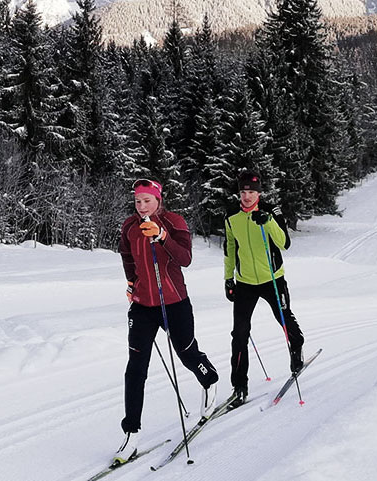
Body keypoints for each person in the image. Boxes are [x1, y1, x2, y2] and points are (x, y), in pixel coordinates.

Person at [112, 178, 219, 465]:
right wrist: (131, 281)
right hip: (143, 306)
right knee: (135, 369)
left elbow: (185, 259)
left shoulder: (174, 222)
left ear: (159, 200)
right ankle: (131, 433)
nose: (142, 205)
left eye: (147, 200)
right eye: (137, 201)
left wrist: (162, 236)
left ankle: (209, 380)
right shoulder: (129, 227)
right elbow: (126, 255)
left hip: (173, 302)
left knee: (186, 352)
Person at [224, 169, 305, 404]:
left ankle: (296, 345)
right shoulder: (231, 215)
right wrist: (229, 278)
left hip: (273, 279)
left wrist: (268, 222)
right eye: (243, 191)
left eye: (251, 192)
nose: (246, 196)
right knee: (239, 334)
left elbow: (284, 243)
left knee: (284, 318)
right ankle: (239, 385)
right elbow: (230, 249)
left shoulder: (271, 211)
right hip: (245, 282)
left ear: (259, 193)